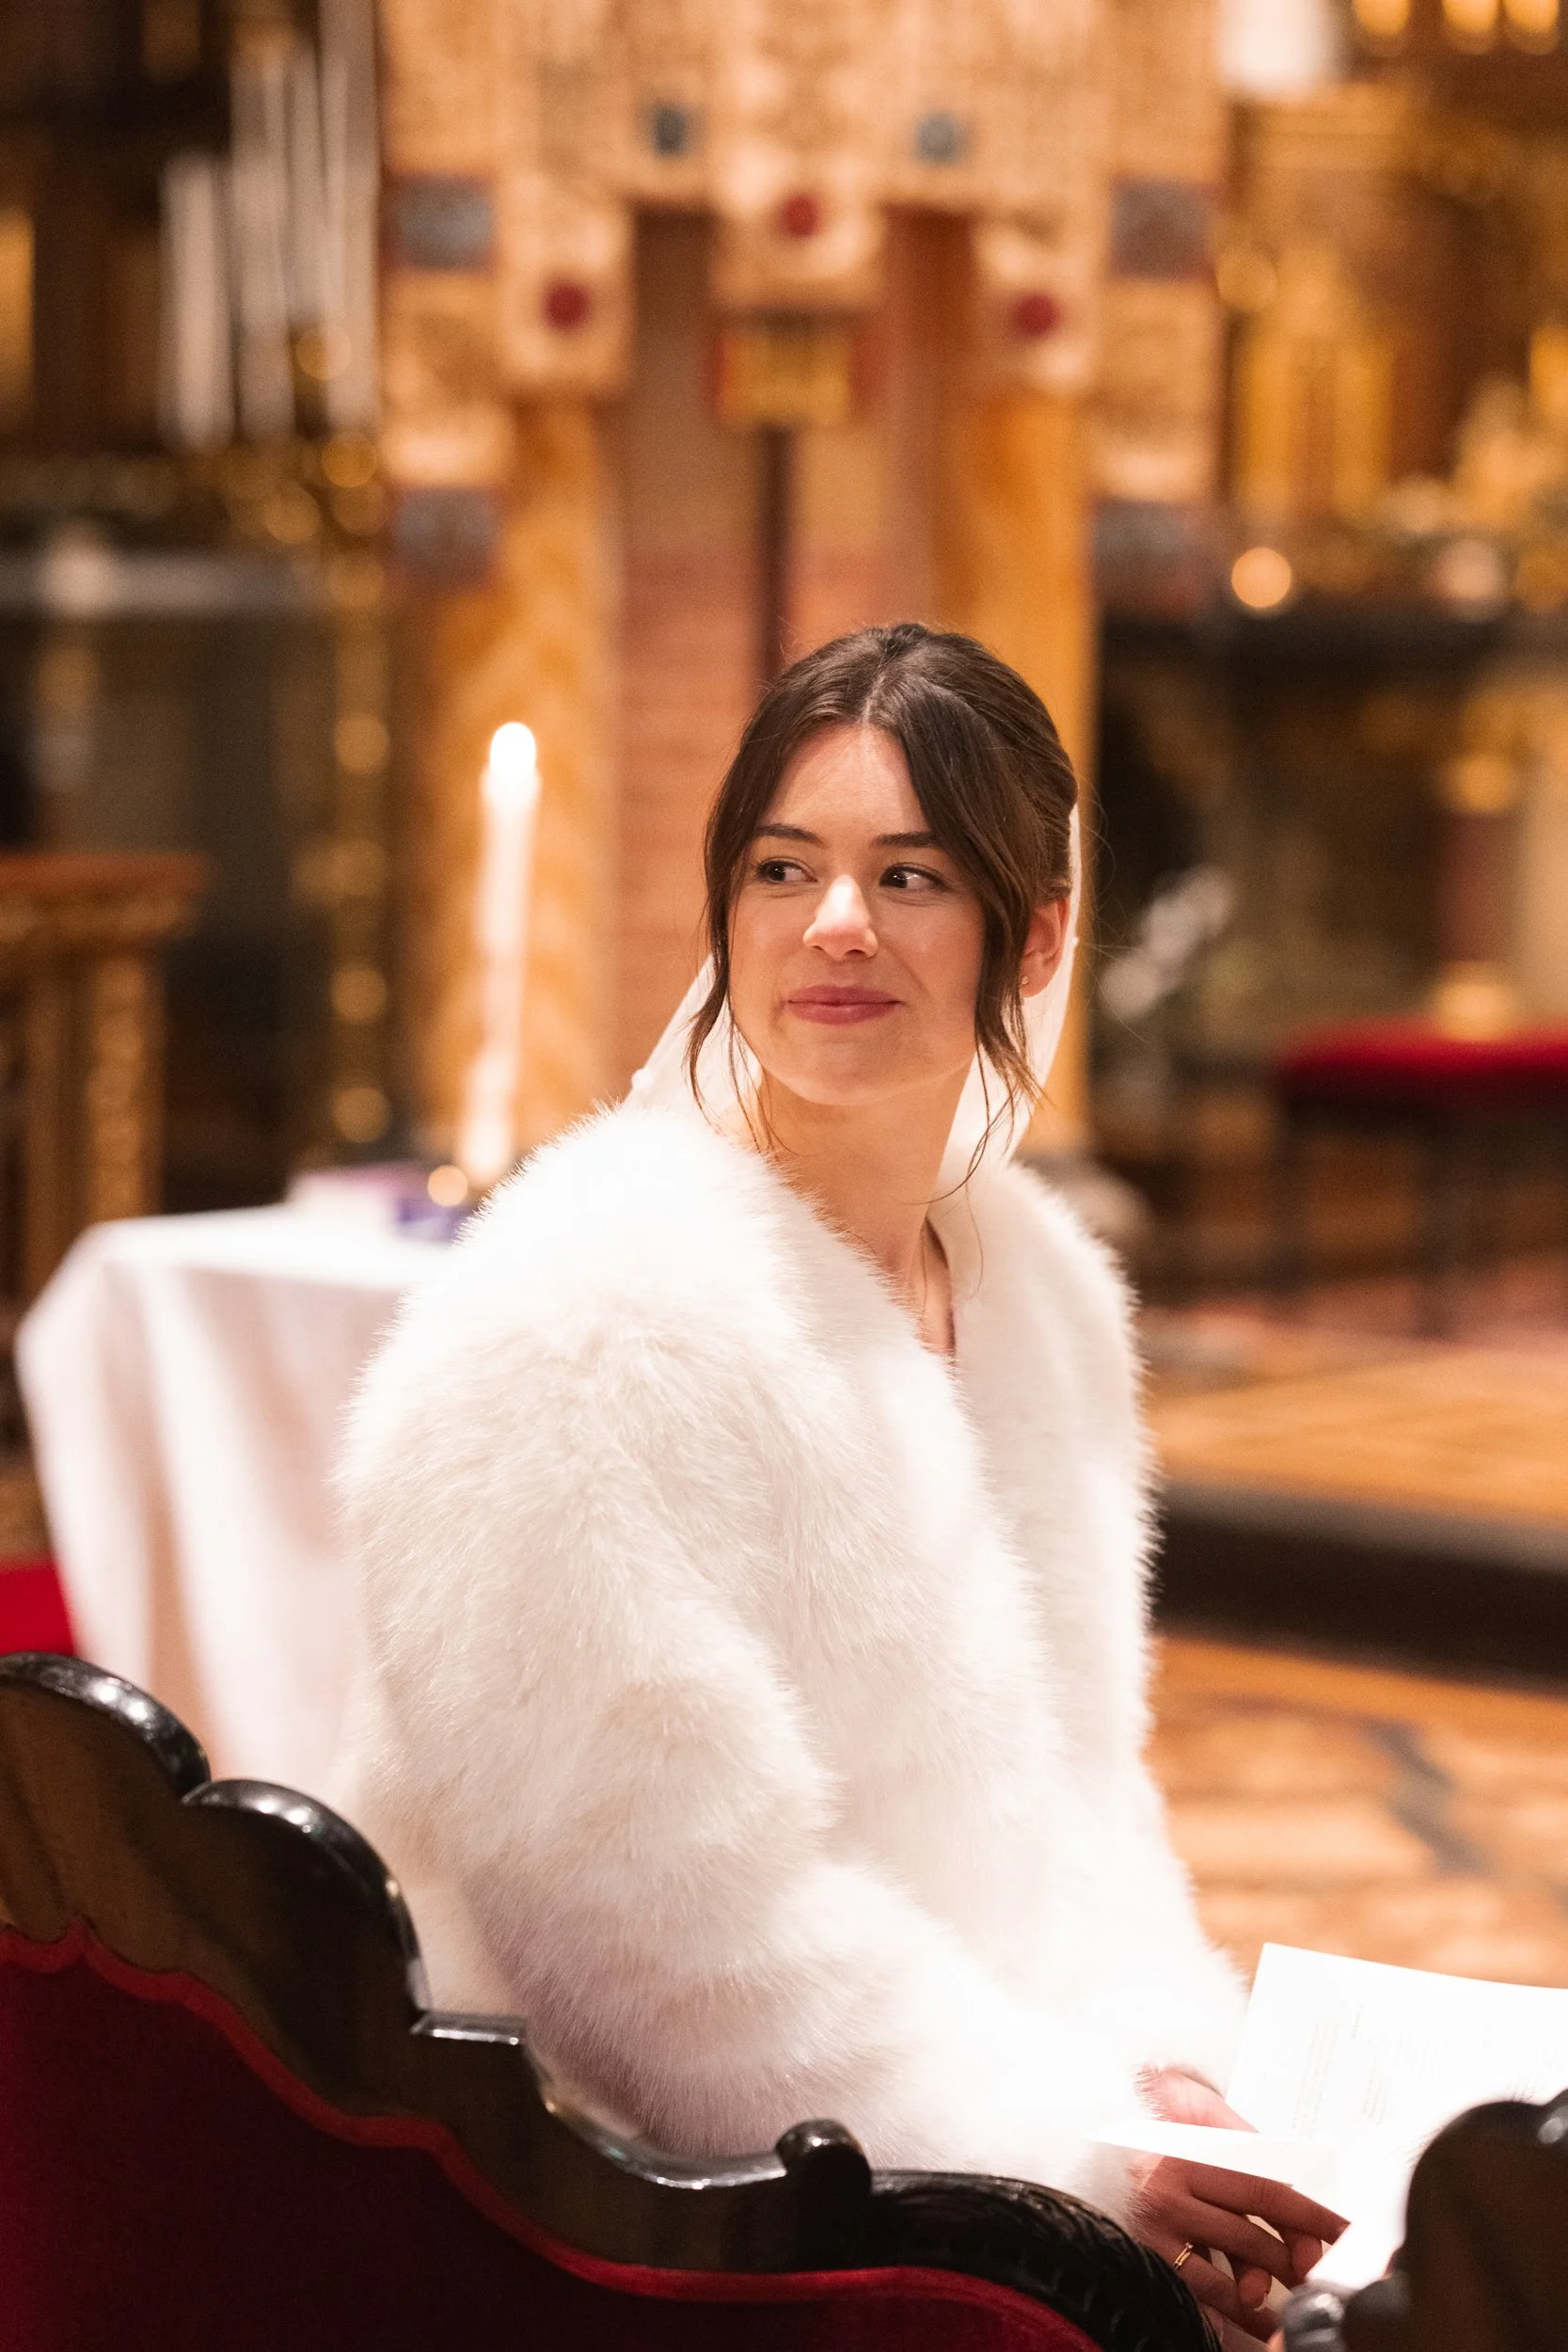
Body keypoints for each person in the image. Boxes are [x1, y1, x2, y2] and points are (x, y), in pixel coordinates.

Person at [333, 625, 1342, 2344]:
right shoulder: (587, 1318)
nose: (835, 926)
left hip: (968, 2145)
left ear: (1031, 935)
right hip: (613, 2210)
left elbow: (1077, 1797)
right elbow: (650, 1946)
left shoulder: (1034, 1293)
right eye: (782, 868)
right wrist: (1068, 2172)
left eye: (912, 875)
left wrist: (1165, 2063)